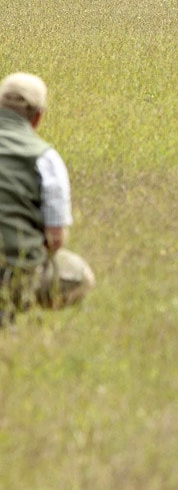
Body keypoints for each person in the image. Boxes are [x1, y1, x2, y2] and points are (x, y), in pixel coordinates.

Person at [0, 72, 94, 323]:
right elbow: (55, 239)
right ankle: (13, 310)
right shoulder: (46, 159)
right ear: (38, 117)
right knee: (80, 275)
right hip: (13, 272)